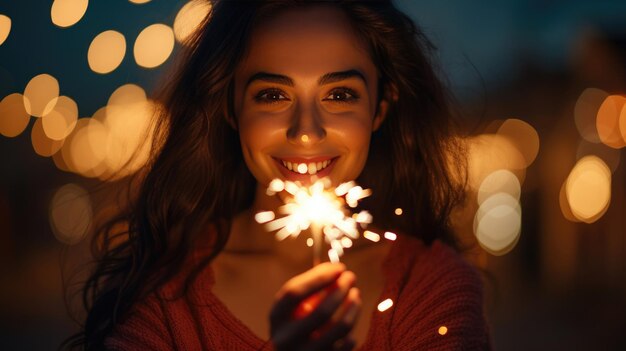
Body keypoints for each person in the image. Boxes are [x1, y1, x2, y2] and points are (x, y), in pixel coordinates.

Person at [64, 0, 491, 350]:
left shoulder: (432, 288)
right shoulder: (165, 302)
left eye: (339, 95)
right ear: (231, 107)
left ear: (379, 107)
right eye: (273, 95)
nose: (306, 131)